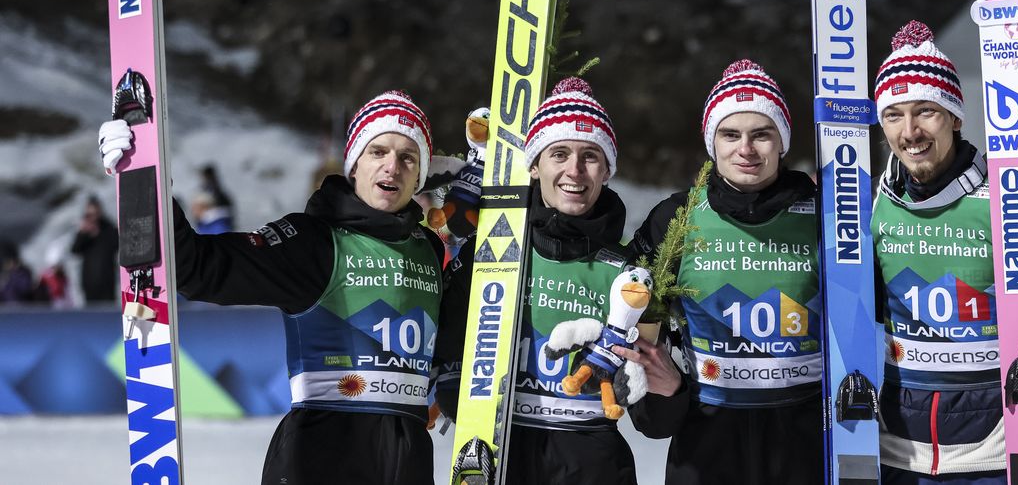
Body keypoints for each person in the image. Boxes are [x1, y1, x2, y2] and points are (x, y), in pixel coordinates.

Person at [99, 90, 447, 485]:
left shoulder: (431, 248)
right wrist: (146, 177)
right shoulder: (312, 241)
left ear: (419, 175)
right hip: (323, 457)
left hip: (409, 460)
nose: (392, 167)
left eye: (408, 157)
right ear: (353, 166)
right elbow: (198, 268)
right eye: (378, 151)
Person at [871, 21, 1018, 485]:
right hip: (895, 449)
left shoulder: (1008, 197)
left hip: (992, 448)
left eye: (925, 112)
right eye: (894, 115)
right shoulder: (873, 202)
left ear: (955, 116)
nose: (909, 131)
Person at [435, 78, 644, 484]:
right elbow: (446, 344)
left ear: (607, 170)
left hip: (593, 467)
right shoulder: (489, 252)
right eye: (559, 154)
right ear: (534, 164)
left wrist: (647, 378)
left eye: (591, 156)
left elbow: (657, 419)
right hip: (503, 458)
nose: (574, 170)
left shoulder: (627, 271)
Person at [624, 60, 824, 485]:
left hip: (804, 450)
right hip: (705, 450)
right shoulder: (675, 219)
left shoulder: (823, 215)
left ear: (782, 142)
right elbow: (639, 329)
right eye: (730, 134)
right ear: (712, 142)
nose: (746, 149)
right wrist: (664, 397)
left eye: (761, 134)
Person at [70, 196, 120, 303]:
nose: (93, 217)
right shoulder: (84, 231)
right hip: (89, 280)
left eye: (95, 213)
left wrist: (100, 234)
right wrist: (83, 234)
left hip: (107, 279)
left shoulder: (108, 228)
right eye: (90, 214)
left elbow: (117, 245)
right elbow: (74, 250)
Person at [0, 240, 35, 304]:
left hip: (20, 307)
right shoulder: (6, 274)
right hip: (7, 308)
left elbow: (25, 288)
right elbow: (4, 292)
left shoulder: (23, 273)